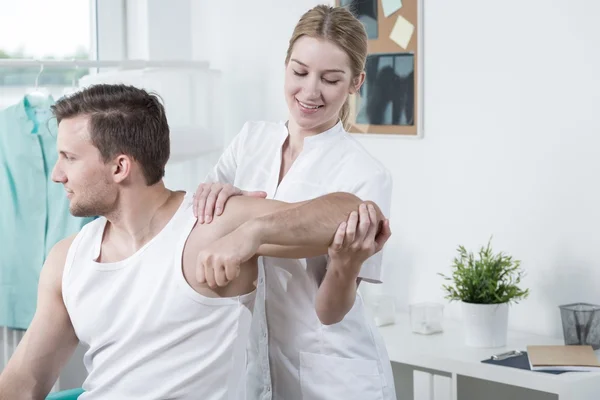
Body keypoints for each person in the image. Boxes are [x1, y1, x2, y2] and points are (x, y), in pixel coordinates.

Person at [0, 84, 390, 400]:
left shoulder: (209, 226)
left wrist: (251, 234)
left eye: (69, 158)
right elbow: (25, 382)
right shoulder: (67, 259)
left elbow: (352, 212)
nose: (57, 174)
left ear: (120, 167)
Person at [193, 4, 396, 400]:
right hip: (258, 367)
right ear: (285, 65)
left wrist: (345, 264)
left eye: (331, 79)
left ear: (356, 83)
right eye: (299, 72)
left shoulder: (365, 173)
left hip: (335, 376)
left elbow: (331, 312)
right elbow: (204, 226)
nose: (309, 92)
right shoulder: (250, 141)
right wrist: (211, 194)